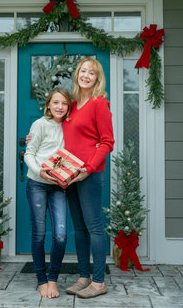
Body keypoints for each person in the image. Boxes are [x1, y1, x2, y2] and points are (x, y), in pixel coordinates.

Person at [62, 58, 114, 298]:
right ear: (77, 74)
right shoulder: (71, 106)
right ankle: (84, 277)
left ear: (96, 78)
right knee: (79, 228)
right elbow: (56, 132)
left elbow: (107, 142)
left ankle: (99, 281)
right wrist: (34, 140)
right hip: (70, 174)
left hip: (90, 173)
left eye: (91, 73)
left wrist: (89, 168)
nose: (85, 75)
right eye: (82, 71)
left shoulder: (99, 103)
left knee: (94, 227)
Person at [24, 87, 72, 299]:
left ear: (69, 107)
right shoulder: (40, 124)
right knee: (40, 233)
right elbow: (29, 154)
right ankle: (42, 280)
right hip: (37, 183)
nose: (60, 107)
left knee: (61, 235)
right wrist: (39, 171)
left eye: (64, 103)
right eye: (56, 103)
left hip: (59, 186)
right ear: (48, 105)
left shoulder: (71, 127)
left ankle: (53, 278)